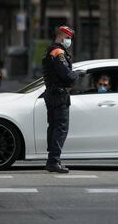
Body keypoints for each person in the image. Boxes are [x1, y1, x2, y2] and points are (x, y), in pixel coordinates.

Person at [42, 25, 85, 173]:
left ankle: (52, 160)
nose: (69, 41)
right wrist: (77, 74)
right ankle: (54, 161)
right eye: (67, 38)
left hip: (52, 93)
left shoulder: (50, 50)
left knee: (54, 127)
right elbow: (67, 75)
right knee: (60, 128)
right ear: (60, 37)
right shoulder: (58, 52)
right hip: (58, 95)